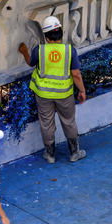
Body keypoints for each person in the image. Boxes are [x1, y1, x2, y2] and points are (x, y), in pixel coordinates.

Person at [18, 16, 87, 163]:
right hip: (64, 94)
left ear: (45, 35)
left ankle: (50, 155)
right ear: (61, 32)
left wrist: (24, 51)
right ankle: (74, 152)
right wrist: (81, 91)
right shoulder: (69, 51)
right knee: (68, 121)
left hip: (43, 94)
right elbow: (76, 74)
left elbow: (31, 63)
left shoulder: (40, 50)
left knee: (46, 123)